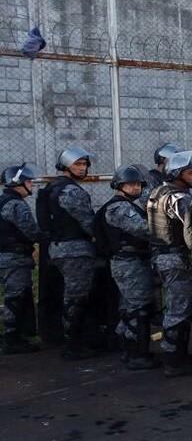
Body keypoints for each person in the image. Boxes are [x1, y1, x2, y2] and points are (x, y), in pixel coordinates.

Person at [95, 165, 160, 370]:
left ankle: (130, 350)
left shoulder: (128, 205)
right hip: (129, 264)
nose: (135, 187)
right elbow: (145, 229)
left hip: (131, 262)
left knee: (131, 307)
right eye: (129, 184)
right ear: (119, 186)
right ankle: (137, 354)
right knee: (138, 308)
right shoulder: (119, 208)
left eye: (138, 184)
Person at [147, 150, 192, 377]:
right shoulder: (178, 197)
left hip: (161, 256)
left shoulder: (158, 192)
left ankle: (178, 356)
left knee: (178, 305)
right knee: (180, 307)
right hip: (173, 258)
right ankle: (174, 360)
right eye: (190, 172)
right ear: (178, 173)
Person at [40, 148, 98, 360]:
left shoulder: (51, 187)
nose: (82, 168)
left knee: (67, 295)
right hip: (74, 250)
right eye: (77, 164)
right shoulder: (72, 191)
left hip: (55, 248)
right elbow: (88, 222)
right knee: (77, 297)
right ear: (66, 166)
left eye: (84, 164)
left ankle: (66, 339)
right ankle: (73, 344)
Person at [0, 164, 41, 354]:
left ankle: (15, 336)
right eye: (28, 181)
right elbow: (31, 231)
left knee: (15, 296)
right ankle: (12, 339)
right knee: (15, 297)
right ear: (17, 183)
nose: (31, 184)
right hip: (14, 258)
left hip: (8, 256)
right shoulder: (15, 204)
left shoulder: (3, 201)